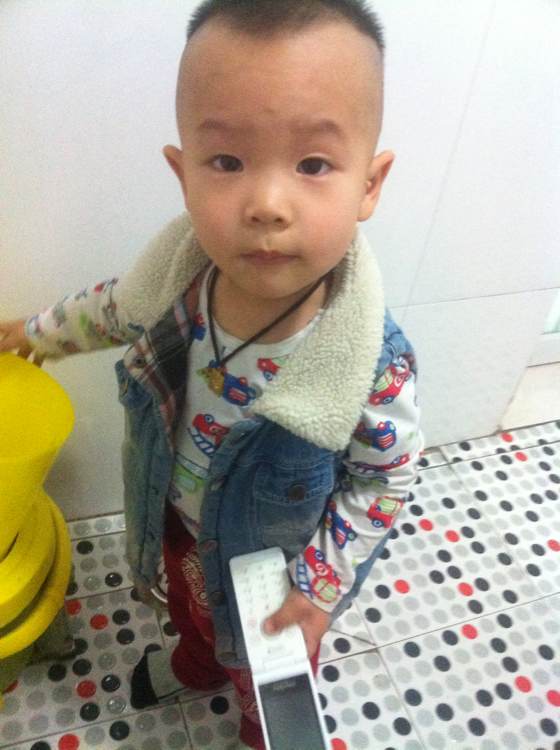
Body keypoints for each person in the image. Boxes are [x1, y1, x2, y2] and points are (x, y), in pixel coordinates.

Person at [0, 1, 424, 747]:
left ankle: (259, 723)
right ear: (183, 174)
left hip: (276, 570)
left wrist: (318, 590)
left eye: (313, 164)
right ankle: (196, 661)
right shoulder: (174, 283)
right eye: (227, 162)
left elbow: (382, 481)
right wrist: (37, 334)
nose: (266, 205)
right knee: (191, 613)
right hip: (178, 521)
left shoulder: (371, 362)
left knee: (269, 668)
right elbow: (111, 309)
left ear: (370, 183)